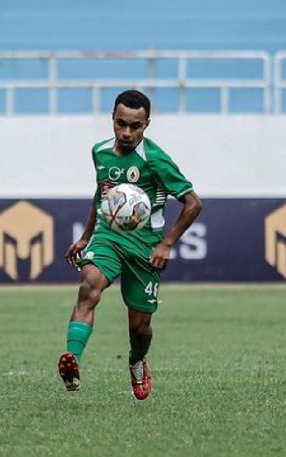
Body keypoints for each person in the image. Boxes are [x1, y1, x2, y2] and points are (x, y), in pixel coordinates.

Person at [58, 90, 202, 399]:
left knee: (139, 327)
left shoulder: (157, 159)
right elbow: (102, 194)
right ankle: (72, 361)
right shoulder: (99, 151)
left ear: (147, 124)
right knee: (89, 287)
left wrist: (167, 244)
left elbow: (193, 204)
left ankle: (137, 361)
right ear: (111, 118)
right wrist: (86, 236)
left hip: (145, 248)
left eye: (135, 126)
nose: (126, 132)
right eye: (120, 123)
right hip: (108, 237)